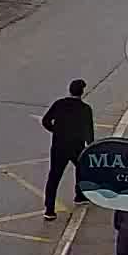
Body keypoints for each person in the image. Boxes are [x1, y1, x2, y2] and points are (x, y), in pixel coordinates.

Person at [41, 79, 95, 219]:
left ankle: (49, 210)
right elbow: (89, 132)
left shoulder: (59, 104)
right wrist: (90, 146)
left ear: (70, 90)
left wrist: (56, 130)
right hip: (76, 146)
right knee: (82, 169)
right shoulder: (85, 109)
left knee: (54, 176)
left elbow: (45, 121)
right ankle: (80, 195)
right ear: (82, 92)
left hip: (59, 146)